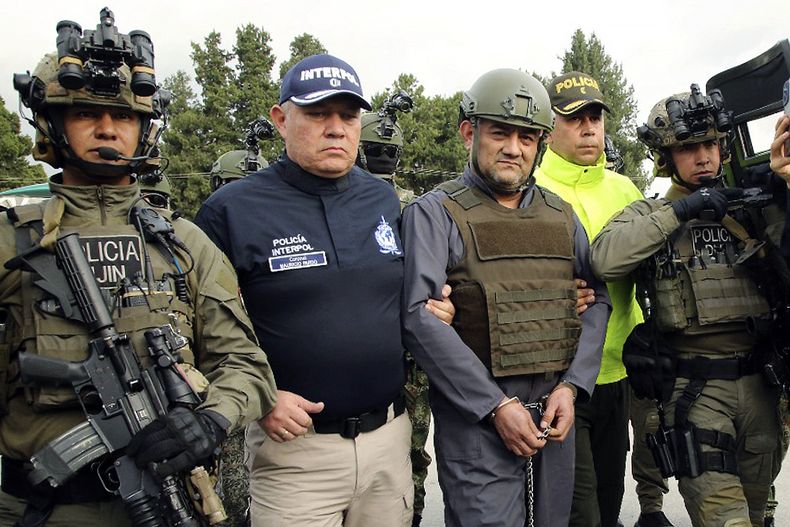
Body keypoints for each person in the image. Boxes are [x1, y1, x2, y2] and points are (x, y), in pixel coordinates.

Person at [0, 10, 277, 526]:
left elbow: (246, 364)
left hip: (169, 498)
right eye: (86, 113)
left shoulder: (184, 242)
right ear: (51, 122)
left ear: (144, 129)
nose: (108, 129)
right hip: (45, 508)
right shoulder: (11, 239)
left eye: (124, 117)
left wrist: (211, 420)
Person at [195, 53, 452, 527]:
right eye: (317, 114)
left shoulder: (383, 199)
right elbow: (196, 330)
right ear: (280, 119)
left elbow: (408, 297)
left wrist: (440, 307)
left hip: (388, 442)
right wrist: (262, 397)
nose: (336, 128)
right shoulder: (229, 211)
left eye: (348, 115)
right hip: (294, 454)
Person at [401, 68, 610, 527]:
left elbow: (597, 302)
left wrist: (573, 387)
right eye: (500, 133)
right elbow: (419, 318)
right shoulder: (434, 213)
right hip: (477, 423)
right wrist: (494, 406)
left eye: (527, 137)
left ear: (540, 144)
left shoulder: (562, 216)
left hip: (554, 416)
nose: (514, 148)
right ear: (468, 132)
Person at [590, 86, 783, 527]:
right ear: (666, 156)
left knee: (757, 516)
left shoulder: (751, 209)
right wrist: (682, 212)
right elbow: (604, 258)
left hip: (760, 389)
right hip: (697, 392)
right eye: (689, 148)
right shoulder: (649, 215)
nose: (704, 157)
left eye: (711, 144)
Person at [534, 71, 644, 527]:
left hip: (618, 372)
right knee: (580, 513)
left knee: (610, 500)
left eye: (595, 116)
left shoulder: (625, 190)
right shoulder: (533, 189)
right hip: (558, 379)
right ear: (549, 125)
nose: (588, 127)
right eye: (575, 117)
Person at [356, 93, 430, 527]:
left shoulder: (395, 205)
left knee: (400, 450)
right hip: (405, 349)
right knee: (409, 450)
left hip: (392, 348)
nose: (384, 155)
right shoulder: (415, 205)